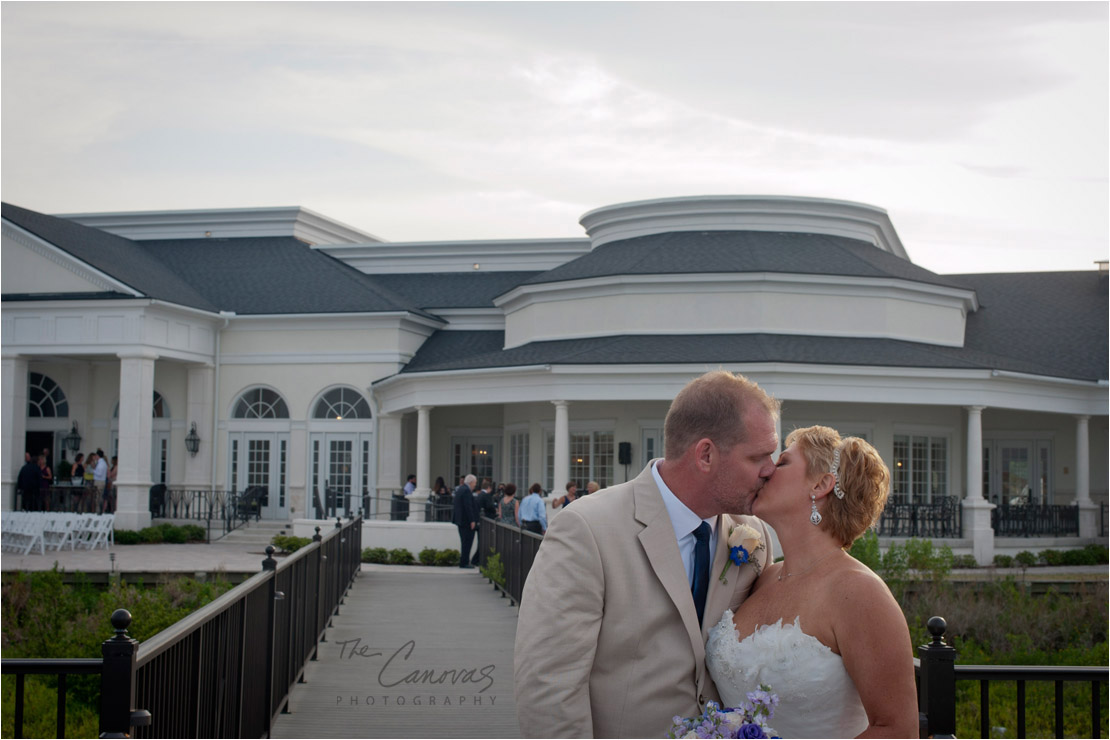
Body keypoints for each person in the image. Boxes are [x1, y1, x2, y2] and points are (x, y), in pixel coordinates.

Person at [514, 370, 779, 738]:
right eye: (758, 457)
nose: (771, 470)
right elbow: (548, 685)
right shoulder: (586, 530)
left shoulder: (754, 535)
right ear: (705, 455)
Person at [705, 425, 918, 738]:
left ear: (821, 484)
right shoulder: (763, 577)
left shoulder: (860, 593)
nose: (767, 470)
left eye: (783, 463)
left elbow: (898, 730)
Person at [451, 474, 478, 569]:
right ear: (470, 482)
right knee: (467, 542)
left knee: (465, 542)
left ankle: (464, 561)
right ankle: (464, 562)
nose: (475, 485)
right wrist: (472, 520)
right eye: (474, 483)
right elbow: (468, 506)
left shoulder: (461, 489)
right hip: (465, 521)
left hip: (460, 520)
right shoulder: (466, 490)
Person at [472, 478, 497, 566]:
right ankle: (476, 560)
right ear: (489, 488)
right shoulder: (485, 496)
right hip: (485, 522)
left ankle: (476, 560)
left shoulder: (479, 495)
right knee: (483, 542)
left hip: (480, 521)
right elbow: (490, 507)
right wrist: (495, 510)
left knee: (481, 542)